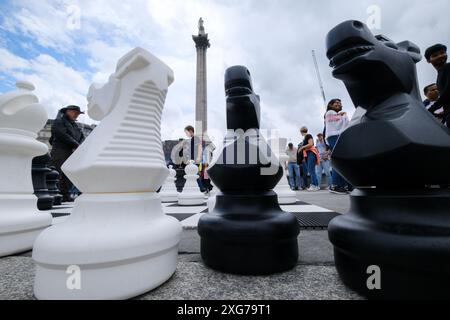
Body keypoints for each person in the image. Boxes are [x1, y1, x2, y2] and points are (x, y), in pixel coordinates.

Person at [49, 105, 85, 202]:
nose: (77, 115)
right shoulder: (59, 121)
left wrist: (80, 145)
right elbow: (62, 135)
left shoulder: (76, 126)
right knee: (58, 172)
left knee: (68, 174)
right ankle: (55, 194)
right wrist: (76, 145)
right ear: (68, 111)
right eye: (75, 113)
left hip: (72, 152)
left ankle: (65, 194)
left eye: (78, 114)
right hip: (60, 150)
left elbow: (82, 137)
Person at [324, 99, 350, 195]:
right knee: (338, 160)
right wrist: (344, 116)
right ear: (331, 105)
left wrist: (343, 116)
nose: (339, 104)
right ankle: (335, 185)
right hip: (334, 136)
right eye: (336, 103)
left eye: (340, 103)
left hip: (338, 136)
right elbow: (341, 123)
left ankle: (342, 185)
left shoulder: (337, 114)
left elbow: (345, 124)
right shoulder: (329, 113)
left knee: (341, 160)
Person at [425, 44, 450, 128]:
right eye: (435, 55)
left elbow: (448, 92)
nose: (440, 56)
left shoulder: (448, 67)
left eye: (442, 53)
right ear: (428, 60)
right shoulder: (440, 74)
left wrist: (431, 109)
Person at [184, 125, 206, 192]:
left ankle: (202, 189)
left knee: (194, 174)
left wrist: (199, 157)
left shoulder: (195, 138)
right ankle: (199, 189)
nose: (186, 134)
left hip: (195, 160)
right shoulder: (192, 139)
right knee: (193, 174)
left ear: (190, 131)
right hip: (192, 160)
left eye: (186, 132)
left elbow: (199, 147)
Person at [298, 126, 320, 192]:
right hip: (308, 154)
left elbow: (311, 144)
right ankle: (316, 185)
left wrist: (302, 147)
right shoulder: (305, 138)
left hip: (311, 153)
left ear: (301, 131)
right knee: (311, 170)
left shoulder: (308, 135)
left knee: (311, 170)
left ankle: (314, 185)